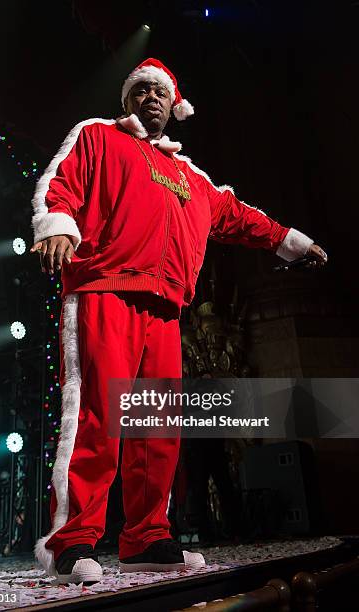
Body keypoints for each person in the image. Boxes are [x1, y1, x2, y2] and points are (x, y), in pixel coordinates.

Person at [30, 58, 328, 584]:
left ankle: (146, 536)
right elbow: (62, 182)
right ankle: (72, 539)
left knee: (157, 430)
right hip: (105, 289)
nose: (151, 99)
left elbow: (238, 216)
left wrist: (288, 241)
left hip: (166, 307)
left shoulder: (190, 176)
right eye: (140, 91)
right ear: (127, 100)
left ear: (175, 106)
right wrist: (58, 223)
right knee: (97, 415)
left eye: (160, 93)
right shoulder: (97, 136)